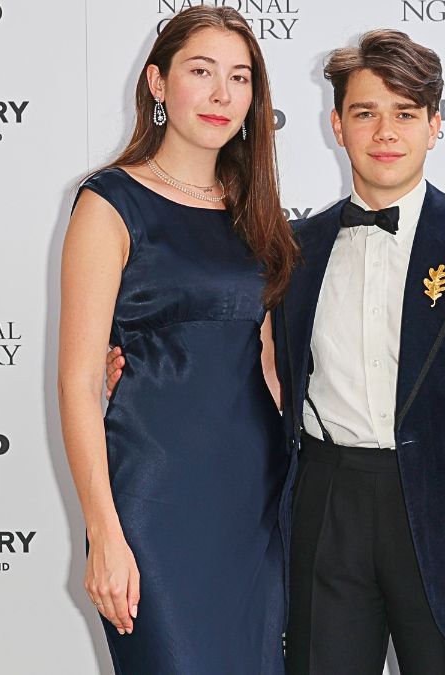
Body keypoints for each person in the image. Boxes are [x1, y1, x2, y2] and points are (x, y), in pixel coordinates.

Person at [272, 30, 445, 674]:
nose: (385, 131)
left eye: (405, 113)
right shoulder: (293, 249)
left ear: (435, 125)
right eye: (366, 112)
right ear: (337, 125)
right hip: (326, 498)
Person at [58, 6, 296, 674]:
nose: (223, 94)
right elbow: (78, 382)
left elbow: (277, 367)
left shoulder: (259, 214)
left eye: (240, 77)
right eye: (202, 71)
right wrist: (105, 531)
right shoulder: (109, 203)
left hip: (255, 506)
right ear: (158, 84)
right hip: (153, 506)